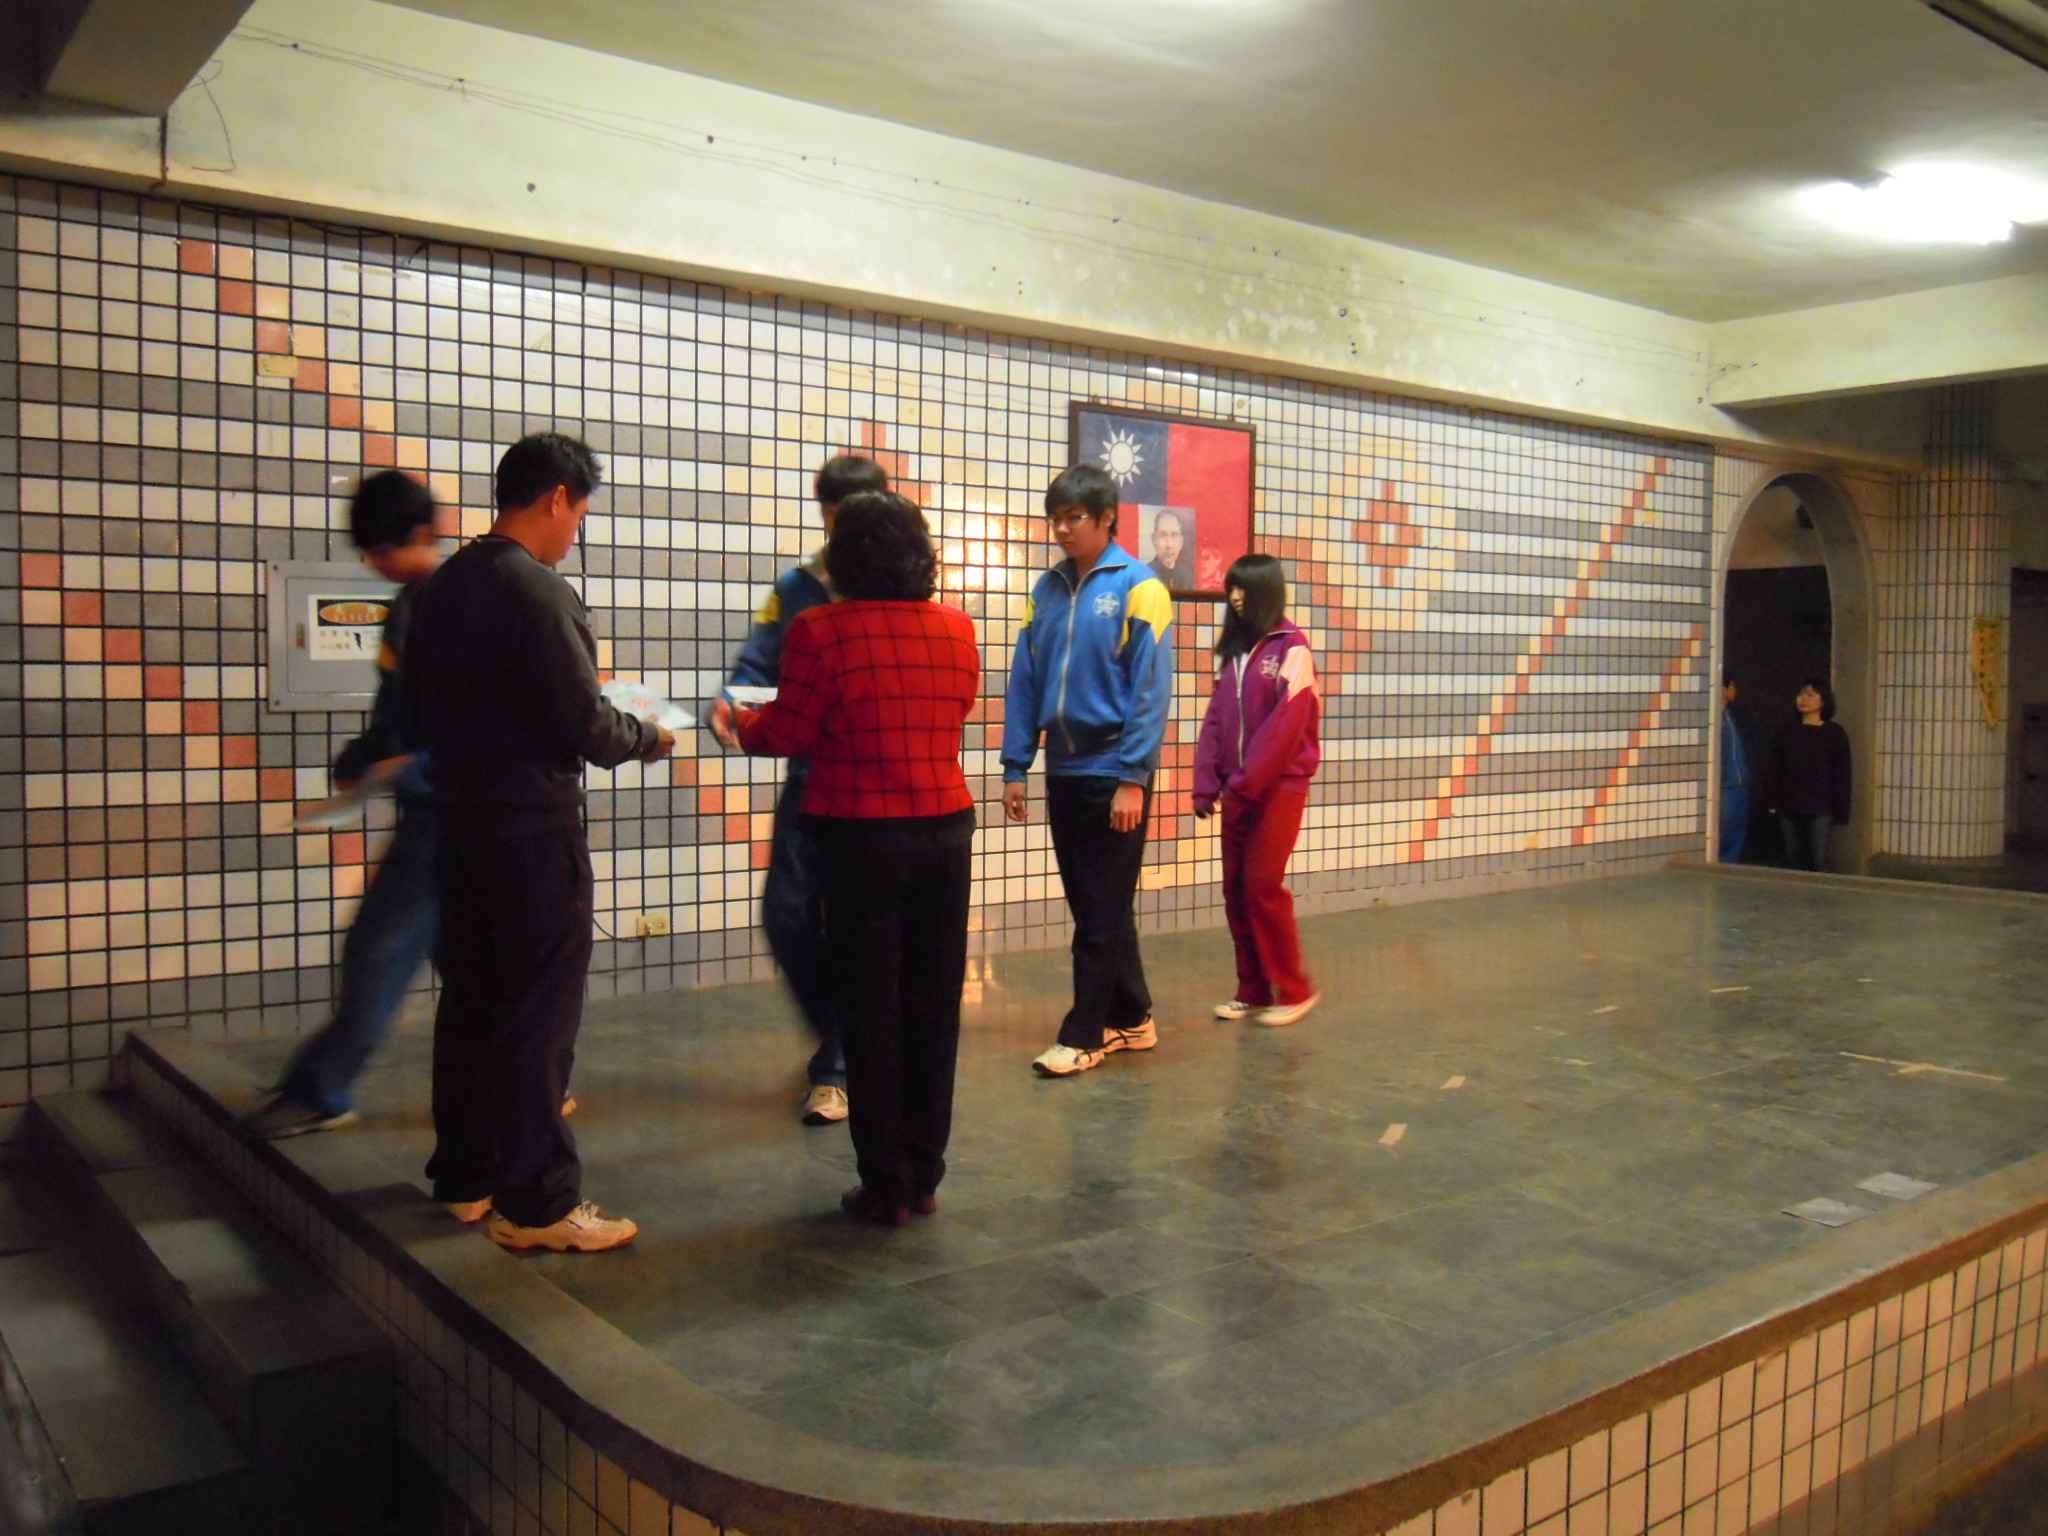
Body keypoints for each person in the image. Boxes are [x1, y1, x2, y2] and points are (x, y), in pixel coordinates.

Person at [403, 433, 675, 1254]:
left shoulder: (441, 588)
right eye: (579, 514)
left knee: (471, 1004)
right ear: (557, 496)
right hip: (532, 830)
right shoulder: (538, 590)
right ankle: (539, 1202)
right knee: (538, 1014)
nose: (574, 531)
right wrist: (647, 736)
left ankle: (467, 1177)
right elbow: (583, 723)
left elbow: (420, 711)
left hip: (459, 826)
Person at [733, 491, 979, 1225]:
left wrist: (742, 723)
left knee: (871, 1011)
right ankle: (925, 1174)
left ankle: (886, 1183)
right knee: (933, 1006)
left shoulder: (819, 630)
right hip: (944, 832)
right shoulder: (957, 628)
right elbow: (957, 708)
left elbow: (789, 731)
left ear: (846, 556)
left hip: (861, 838)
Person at [244, 472, 443, 1138]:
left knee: (377, 946)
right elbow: (396, 711)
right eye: (367, 552)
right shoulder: (406, 606)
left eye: (383, 549)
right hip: (434, 809)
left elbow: (478, 724)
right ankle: (535, 1083)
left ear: (422, 533)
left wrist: (411, 767)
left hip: (449, 816)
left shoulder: (454, 605)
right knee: (472, 967)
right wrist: (361, 760)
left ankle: (321, 1089)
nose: (373, 563)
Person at [710, 454, 888, 1127]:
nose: (842, 530)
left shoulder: (900, 588)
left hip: (874, 784)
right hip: (810, 777)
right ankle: (850, 1037)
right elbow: (759, 660)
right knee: (784, 913)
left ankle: (836, 1069)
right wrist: (732, 698)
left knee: (852, 925)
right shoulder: (798, 586)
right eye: (833, 516)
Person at [1002, 463, 1175, 1078]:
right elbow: (1025, 678)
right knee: (1097, 905)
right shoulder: (1046, 590)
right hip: (1063, 769)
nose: (1062, 529)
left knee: (1099, 913)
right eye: (1055, 518)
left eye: (1074, 517)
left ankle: (1084, 1035)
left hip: (1114, 769)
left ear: (1106, 519)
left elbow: (1150, 691)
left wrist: (1134, 777)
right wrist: (1015, 765)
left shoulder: (1140, 587)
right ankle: (1133, 1017)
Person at [1193, 554, 1322, 1026]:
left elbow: (1287, 726)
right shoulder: (1233, 653)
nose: (1235, 597)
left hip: (1279, 787)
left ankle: (1294, 989)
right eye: (1231, 588)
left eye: (1243, 588)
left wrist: (1246, 784)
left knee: (1262, 886)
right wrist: (1206, 782)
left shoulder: (1293, 647)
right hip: (1238, 789)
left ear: (1267, 591)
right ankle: (1252, 989)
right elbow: (1215, 719)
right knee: (1235, 890)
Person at [1766, 676, 1851, 873]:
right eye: (1801, 694)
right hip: (1789, 804)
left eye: (1811, 695)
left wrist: (1842, 807)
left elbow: (1842, 773)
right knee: (1792, 856)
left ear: (1823, 701)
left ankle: (1819, 892)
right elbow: (1776, 767)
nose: (1803, 699)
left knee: (1818, 856)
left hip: (1821, 806)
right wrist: (1772, 799)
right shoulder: (1786, 731)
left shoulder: (1834, 733)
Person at [1719, 671, 1750, 864]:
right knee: (1723, 833)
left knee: (1735, 836)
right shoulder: (1717, 719)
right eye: (1732, 686)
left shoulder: (1728, 716)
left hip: (1739, 784)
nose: (1735, 691)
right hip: (1726, 785)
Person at [1147, 507, 1197, 590]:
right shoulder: (1144, 575)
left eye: (1174, 535)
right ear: (1153, 540)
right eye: (1163, 535)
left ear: (1181, 542)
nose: (1169, 545)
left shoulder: (1187, 578)